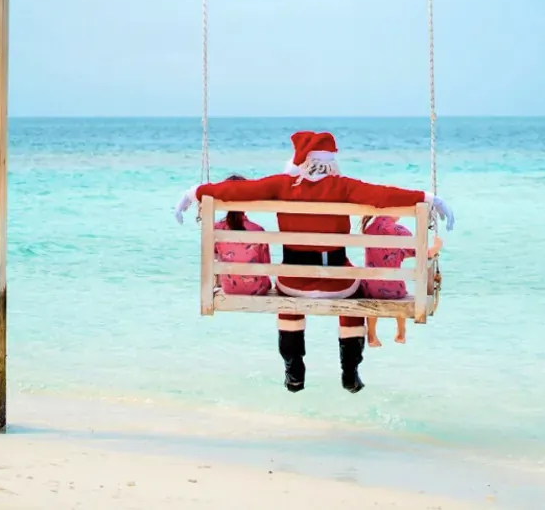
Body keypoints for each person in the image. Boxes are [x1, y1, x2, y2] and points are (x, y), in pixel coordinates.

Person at [175, 131, 454, 394]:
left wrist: (194, 193)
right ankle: (350, 370)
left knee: (288, 300)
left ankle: (293, 370)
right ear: (329, 161)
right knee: (355, 299)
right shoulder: (343, 186)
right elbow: (382, 195)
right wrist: (428, 199)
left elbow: (239, 191)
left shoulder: (282, 184)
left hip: (293, 282)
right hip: (339, 284)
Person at [361, 214, 444, 347]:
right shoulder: (400, 231)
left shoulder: (369, 228)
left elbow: (385, 255)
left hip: (370, 288)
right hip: (393, 290)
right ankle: (401, 332)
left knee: (373, 287)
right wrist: (436, 247)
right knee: (400, 292)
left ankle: (371, 334)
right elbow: (419, 254)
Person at [213, 175, 271, 297]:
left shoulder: (216, 228)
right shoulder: (258, 230)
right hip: (257, 289)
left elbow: (214, 256)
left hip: (229, 288)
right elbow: (266, 264)